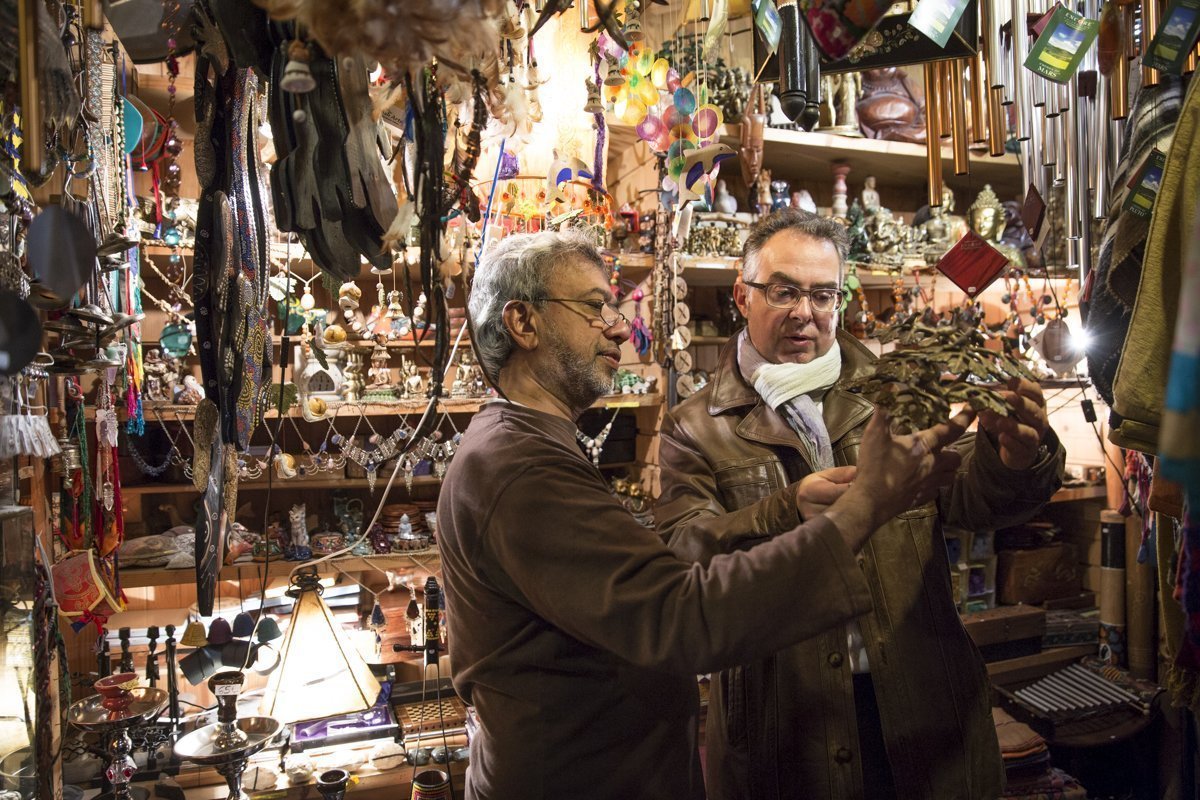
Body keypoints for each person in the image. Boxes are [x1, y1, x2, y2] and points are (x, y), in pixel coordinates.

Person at [437, 230, 975, 800]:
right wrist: (863, 508)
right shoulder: (523, 468)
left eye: (824, 295)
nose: (619, 327)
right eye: (596, 307)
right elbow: (681, 614)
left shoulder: (526, 447)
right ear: (524, 324)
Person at [656, 208, 1065, 800]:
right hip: (785, 728)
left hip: (924, 709)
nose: (805, 312)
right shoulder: (695, 427)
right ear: (742, 298)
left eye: (823, 294)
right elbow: (682, 560)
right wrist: (786, 509)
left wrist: (1015, 458)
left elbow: (969, 495)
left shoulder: (893, 391)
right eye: (783, 291)